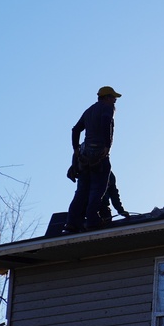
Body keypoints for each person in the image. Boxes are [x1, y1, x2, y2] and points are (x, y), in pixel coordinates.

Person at [64, 86, 120, 232]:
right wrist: (107, 145)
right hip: (98, 155)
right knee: (97, 188)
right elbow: (106, 123)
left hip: (84, 156)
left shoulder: (89, 110)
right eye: (113, 97)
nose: (115, 101)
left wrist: (76, 149)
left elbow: (75, 129)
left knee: (82, 191)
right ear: (106, 97)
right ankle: (92, 220)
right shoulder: (107, 108)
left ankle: (72, 222)